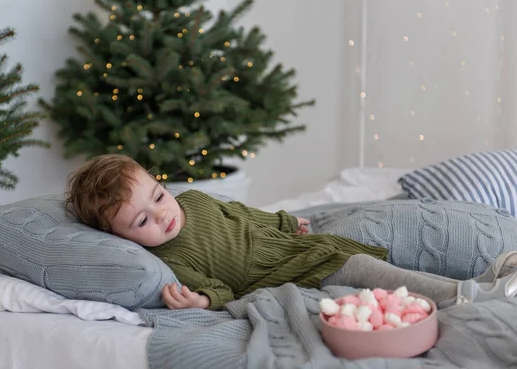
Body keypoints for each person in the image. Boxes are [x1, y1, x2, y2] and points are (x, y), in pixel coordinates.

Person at [66, 154, 517, 310]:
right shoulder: (172, 260)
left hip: (291, 246)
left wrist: (284, 222)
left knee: (379, 264)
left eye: (159, 196)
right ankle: (462, 294)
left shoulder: (195, 202)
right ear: (123, 239)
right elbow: (219, 289)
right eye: (142, 221)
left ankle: (476, 279)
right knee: (360, 268)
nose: (162, 215)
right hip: (277, 274)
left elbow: (244, 216)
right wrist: (203, 301)